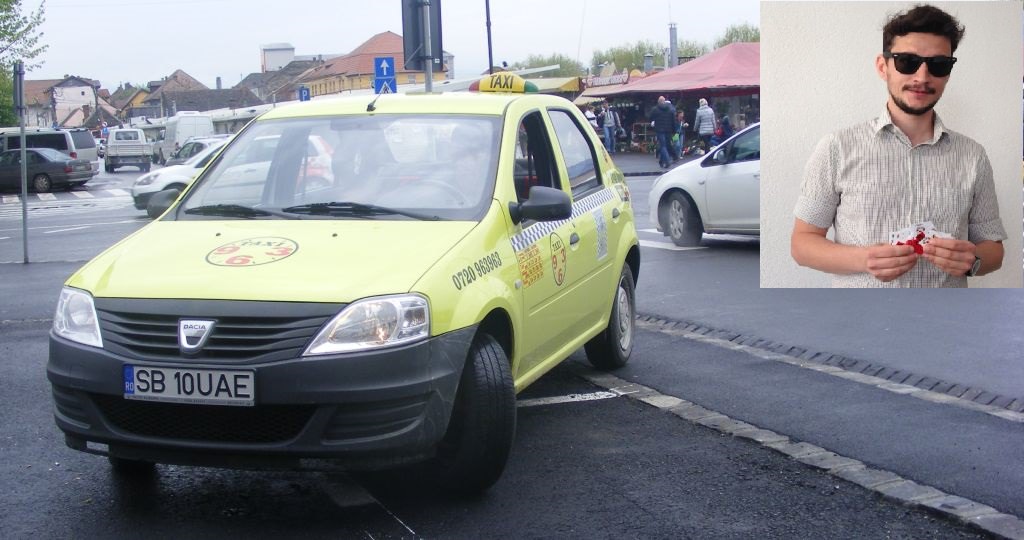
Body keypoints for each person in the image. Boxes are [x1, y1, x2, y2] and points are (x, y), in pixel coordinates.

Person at [790, 4, 1006, 288]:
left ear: (949, 72)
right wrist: (864, 259)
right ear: (883, 66)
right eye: (907, 62)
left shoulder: (973, 156)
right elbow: (802, 243)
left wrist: (973, 260)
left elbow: (994, 250)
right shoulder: (836, 148)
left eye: (938, 64)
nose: (922, 77)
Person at [648, 96, 676, 168]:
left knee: (662, 146)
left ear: (658, 102)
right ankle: (662, 161)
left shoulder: (655, 109)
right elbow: (673, 120)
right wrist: (674, 130)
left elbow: (650, 117)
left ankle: (667, 161)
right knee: (666, 145)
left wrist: (653, 122)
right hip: (668, 130)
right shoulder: (670, 109)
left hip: (659, 130)